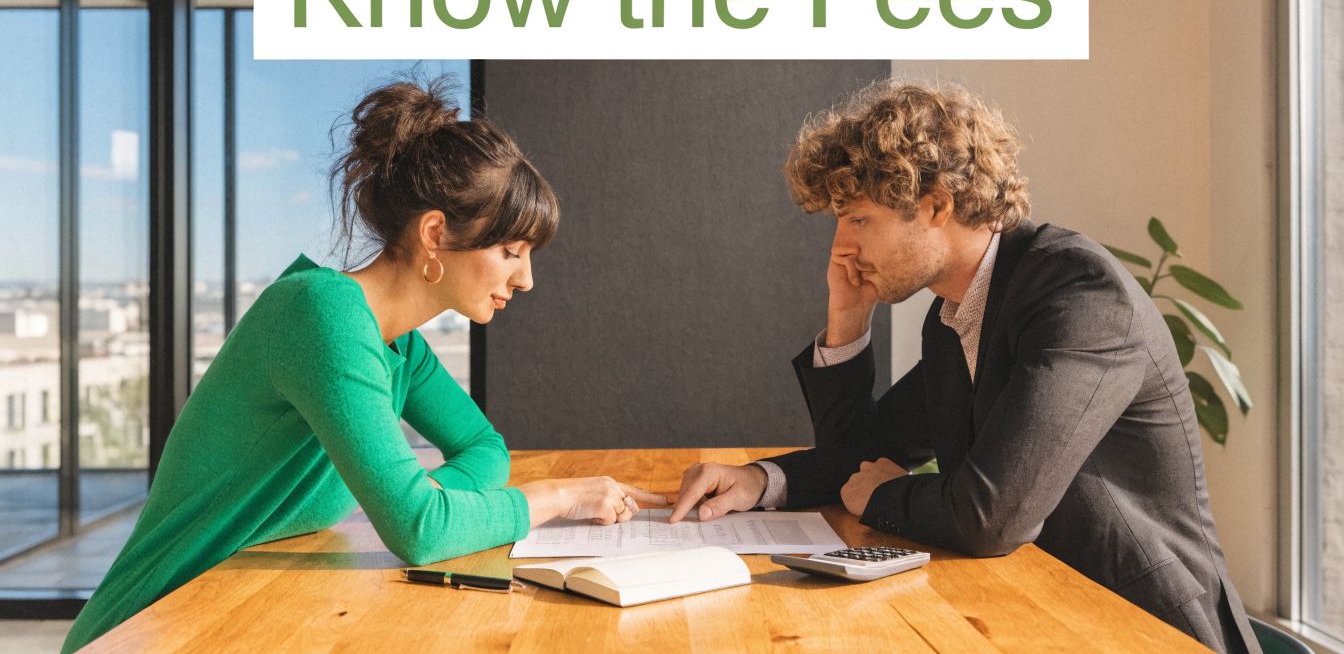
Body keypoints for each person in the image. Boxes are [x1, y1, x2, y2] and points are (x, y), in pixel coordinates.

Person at [64, 78, 663, 653]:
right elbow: (421, 531)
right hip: (152, 625)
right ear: (435, 232)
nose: (525, 278)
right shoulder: (321, 314)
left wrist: (424, 505)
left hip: (243, 614)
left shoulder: (399, 346)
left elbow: (485, 451)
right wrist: (557, 497)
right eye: (509, 251)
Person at [668, 80, 1260, 654]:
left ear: (936, 205)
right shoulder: (958, 314)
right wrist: (763, 479)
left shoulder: (1078, 296)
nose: (841, 247)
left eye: (857, 220)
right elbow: (862, 458)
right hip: (1037, 614)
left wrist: (885, 495)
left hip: (1140, 628)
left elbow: (989, 515)